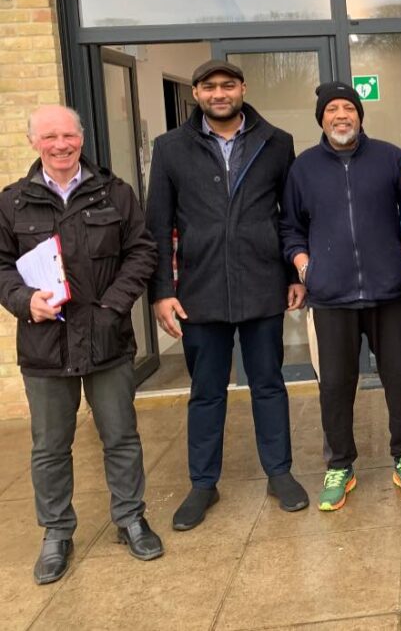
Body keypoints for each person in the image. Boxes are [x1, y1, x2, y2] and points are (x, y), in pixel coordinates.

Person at [0, 105, 162, 584]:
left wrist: (113, 306)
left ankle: (131, 518)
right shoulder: (12, 202)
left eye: (68, 135)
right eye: (49, 136)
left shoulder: (114, 193)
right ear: (34, 142)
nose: (61, 144)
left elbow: (143, 250)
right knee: (50, 446)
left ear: (81, 138)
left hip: (108, 339)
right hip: (45, 346)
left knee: (121, 437)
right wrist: (25, 300)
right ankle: (56, 532)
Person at [146, 59, 308, 531]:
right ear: (196, 93)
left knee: (269, 384)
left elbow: (288, 217)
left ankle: (279, 473)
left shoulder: (276, 142)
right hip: (201, 291)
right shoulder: (171, 148)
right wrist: (162, 292)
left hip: (262, 285)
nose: (220, 93)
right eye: (209, 87)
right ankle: (202, 483)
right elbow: (158, 227)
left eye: (228, 85)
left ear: (243, 88)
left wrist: (293, 275)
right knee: (206, 392)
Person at [280, 82, 401, 510]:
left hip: (389, 293)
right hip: (331, 298)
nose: (341, 115)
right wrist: (307, 267)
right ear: (321, 118)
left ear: (360, 116)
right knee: (336, 386)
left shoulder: (388, 158)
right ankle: (340, 464)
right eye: (332, 110)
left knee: (400, 379)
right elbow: (289, 227)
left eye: (349, 108)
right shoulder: (303, 168)